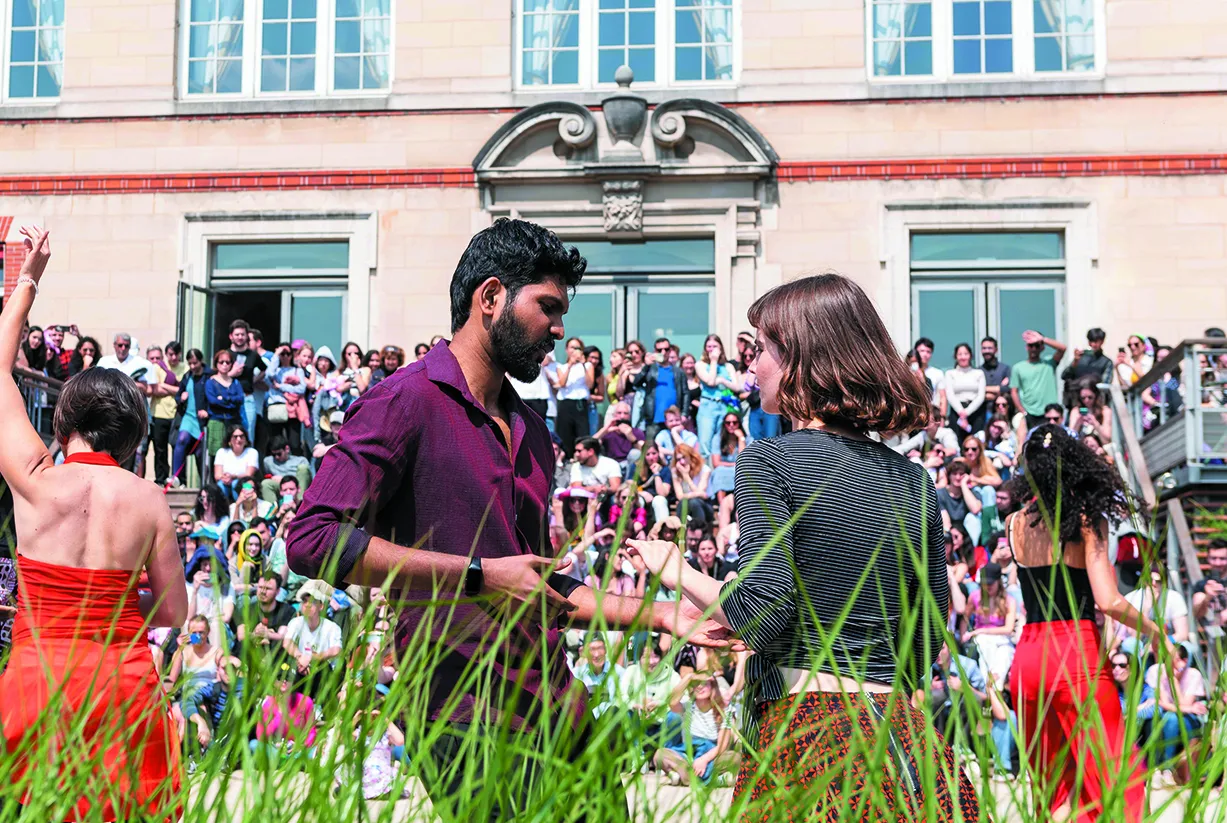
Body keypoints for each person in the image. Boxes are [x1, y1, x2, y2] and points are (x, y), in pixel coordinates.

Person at [286, 218, 727, 820]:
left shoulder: (535, 433)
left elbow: (533, 583)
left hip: (560, 704)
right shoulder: (402, 401)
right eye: (547, 306)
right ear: (490, 298)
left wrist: (663, 614)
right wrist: (478, 574)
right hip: (465, 717)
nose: (560, 327)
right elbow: (312, 540)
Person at [628, 273, 979, 822]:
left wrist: (674, 569)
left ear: (801, 359)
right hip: (905, 740)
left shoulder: (771, 460)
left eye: (761, 350)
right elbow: (929, 633)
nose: (751, 365)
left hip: (809, 734)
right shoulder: (915, 480)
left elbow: (760, 614)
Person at [0, 227, 187, 821]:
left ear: (63, 421)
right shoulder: (151, 501)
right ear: (134, 437)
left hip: (36, 682)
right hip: (123, 686)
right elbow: (174, 613)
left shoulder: (34, 477)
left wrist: (28, 280)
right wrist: (115, 615)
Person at [1006, 424, 1170, 823]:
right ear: (1076, 466)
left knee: (1052, 787)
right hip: (1074, 651)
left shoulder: (1014, 523)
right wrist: (1156, 632)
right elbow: (1108, 600)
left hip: (1027, 657)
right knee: (1117, 779)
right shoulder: (1084, 518)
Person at [694, 335, 741, 457]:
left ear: (720, 348)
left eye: (714, 346)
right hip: (708, 405)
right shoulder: (700, 365)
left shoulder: (728, 366)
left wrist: (722, 381)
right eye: (709, 347)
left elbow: (737, 387)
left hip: (724, 406)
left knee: (721, 441)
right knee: (705, 443)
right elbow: (710, 381)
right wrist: (713, 361)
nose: (711, 349)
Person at [1011, 329, 1067, 429]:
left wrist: (1042, 339)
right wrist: (1022, 411)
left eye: (1036, 345)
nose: (1033, 349)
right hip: (1029, 413)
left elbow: (1062, 348)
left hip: (1049, 413)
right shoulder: (1018, 367)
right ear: (1026, 347)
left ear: (1042, 348)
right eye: (1030, 345)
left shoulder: (1049, 363)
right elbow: (1014, 391)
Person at [548, 336, 594, 455]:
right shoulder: (561, 367)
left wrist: (583, 364)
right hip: (565, 403)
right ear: (567, 350)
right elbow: (562, 384)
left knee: (582, 433)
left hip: (580, 404)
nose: (575, 350)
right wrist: (570, 364)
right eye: (572, 347)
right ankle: (566, 459)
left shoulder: (588, 365)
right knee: (564, 434)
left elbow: (590, 384)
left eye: (578, 348)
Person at [1062, 328, 1113, 406]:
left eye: (1096, 341)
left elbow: (1105, 384)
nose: (1093, 344)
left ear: (1102, 342)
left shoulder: (1106, 362)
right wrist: (1075, 362)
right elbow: (1064, 376)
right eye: (1091, 341)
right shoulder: (1079, 358)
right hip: (1076, 404)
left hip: (1096, 406)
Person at [945, 342, 987, 435]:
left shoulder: (979, 373)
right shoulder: (950, 373)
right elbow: (950, 395)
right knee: (956, 441)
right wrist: (961, 412)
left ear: (970, 356)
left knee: (975, 441)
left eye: (966, 354)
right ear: (955, 356)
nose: (963, 357)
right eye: (960, 354)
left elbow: (981, 396)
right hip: (957, 411)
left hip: (976, 411)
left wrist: (967, 412)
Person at [213, 424, 259, 502]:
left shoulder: (252, 452)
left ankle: (242, 509)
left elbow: (249, 475)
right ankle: (221, 511)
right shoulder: (221, 452)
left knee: (236, 484)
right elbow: (217, 475)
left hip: (246, 483)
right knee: (220, 485)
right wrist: (225, 478)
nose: (239, 439)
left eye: (241, 436)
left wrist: (233, 477)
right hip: (226, 482)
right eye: (235, 437)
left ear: (246, 439)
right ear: (229, 440)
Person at [1191, 538, 1227, 632]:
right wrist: (1207, 597)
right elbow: (1197, 615)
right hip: (1213, 633)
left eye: (1222, 559)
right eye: (1214, 558)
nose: (1217, 563)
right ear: (1208, 558)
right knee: (1199, 596)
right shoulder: (1201, 585)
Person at [980, 336, 1011, 405]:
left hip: (1001, 410)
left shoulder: (1005, 369)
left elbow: (1008, 389)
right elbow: (974, 392)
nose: (987, 351)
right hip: (982, 412)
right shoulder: (978, 371)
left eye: (990, 348)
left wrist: (983, 389)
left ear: (996, 350)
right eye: (984, 348)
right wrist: (998, 389)